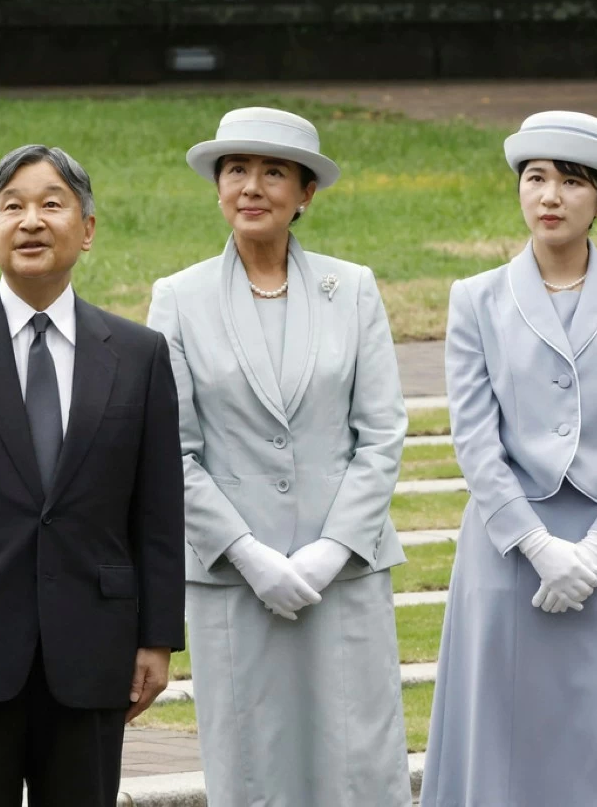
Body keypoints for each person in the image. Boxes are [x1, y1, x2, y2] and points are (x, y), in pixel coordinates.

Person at [419, 111, 597, 806]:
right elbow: (476, 438)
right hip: (511, 552)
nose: (549, 196)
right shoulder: (475, 300)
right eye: (536, 178)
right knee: (506, 738)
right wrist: (539, 546)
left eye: (571, 182)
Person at [146, 107, 412, 807]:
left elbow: (381, 432)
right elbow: (171, 448)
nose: (253, 187)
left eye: (274, 172)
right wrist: (247, 553)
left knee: (359, 763)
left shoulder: (351, 288)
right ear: (217, 187)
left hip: (346, 576)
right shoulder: (178, 298)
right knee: (254, 768)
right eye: (237, 170)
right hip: (235, 584)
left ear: (306, 194)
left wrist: (332, 549)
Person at [0, 144, 185, 807]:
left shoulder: (139, 355)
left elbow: (158, 509)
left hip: (93, 653)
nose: (31, 221)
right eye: (13, 207)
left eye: (52, 204)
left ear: (87, 230)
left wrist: (158, 638)